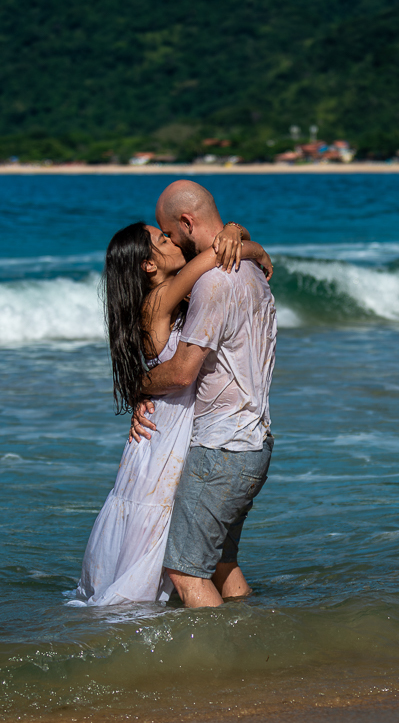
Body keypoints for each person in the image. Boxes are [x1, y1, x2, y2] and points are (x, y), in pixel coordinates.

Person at [72, 218, 271, 606]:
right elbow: (217, 254)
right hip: (166, 439)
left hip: (172, 429)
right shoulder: (160, 300)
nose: (173, 240)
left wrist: (235, 230)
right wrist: (251, 246)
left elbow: (217, 251)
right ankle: (219, 644)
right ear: (149, 265)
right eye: (163, 239)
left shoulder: (170, 298)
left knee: (198, 557)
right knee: (186, 562)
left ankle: (223, 636)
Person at [131, 180, 277, 608]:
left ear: (186, 222)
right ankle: (254, 643)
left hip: (222, 447)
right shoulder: (249, 272)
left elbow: (181, 372)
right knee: (220, 562)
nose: (172, 241)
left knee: (185, 570)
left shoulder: (212, 283)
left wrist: (134, 386)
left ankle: (225, 667)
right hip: (253, 442)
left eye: (169, 233)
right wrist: (246, 240)